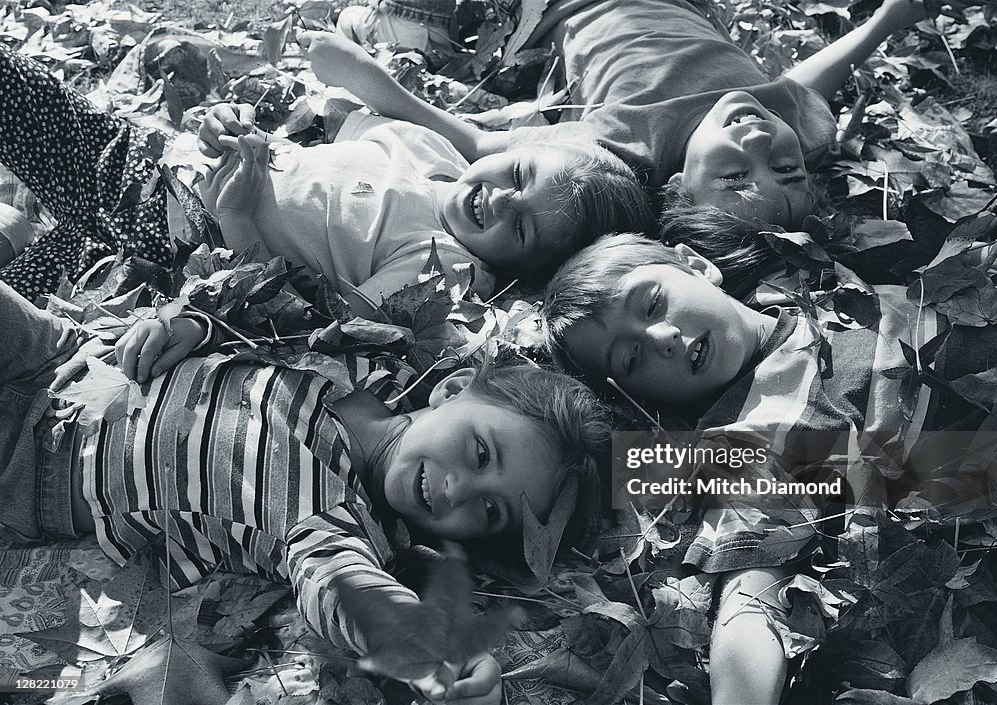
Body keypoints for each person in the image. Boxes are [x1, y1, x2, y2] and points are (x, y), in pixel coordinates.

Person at [0, 278, 612, 704]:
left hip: (35, 469)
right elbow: (253, 320)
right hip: (70, 352)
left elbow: (341, 587)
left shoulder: (334, 518)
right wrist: (190, 325)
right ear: (453, 391)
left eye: (488, 511)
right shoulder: (355, 366)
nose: (458, 487)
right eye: (480, 452)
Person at [539, 233, 997, 704]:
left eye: (652, 304)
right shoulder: (744, 436)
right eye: (631, 357)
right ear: (642, 398)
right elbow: (751, 600)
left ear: (695, 264)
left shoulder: (808, 273)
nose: (660, 337)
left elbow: (962, 263)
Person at [0, 43, 652, 308]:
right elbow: (328, 62)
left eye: (524, 225)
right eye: (519, 172)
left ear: (523, 271)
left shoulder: (449, 268)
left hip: (172, 255)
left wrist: (236, 220)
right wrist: (233, 122)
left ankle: (36, 243)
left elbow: (316, 320)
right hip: (156, 164)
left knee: (21, 312)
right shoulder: (426, 148)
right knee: (19, 86)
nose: (503, 198)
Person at [320, 0, 933, 232]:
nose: (754, 144)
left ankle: (385, 26)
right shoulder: (781, 121)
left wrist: (368, 80)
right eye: (784, 168)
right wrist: (887, 21)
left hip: (545, 12)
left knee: (425, 22)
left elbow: (479, 140)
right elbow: (804, 84)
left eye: (734, 179)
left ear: (675, 187)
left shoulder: (625, 149)